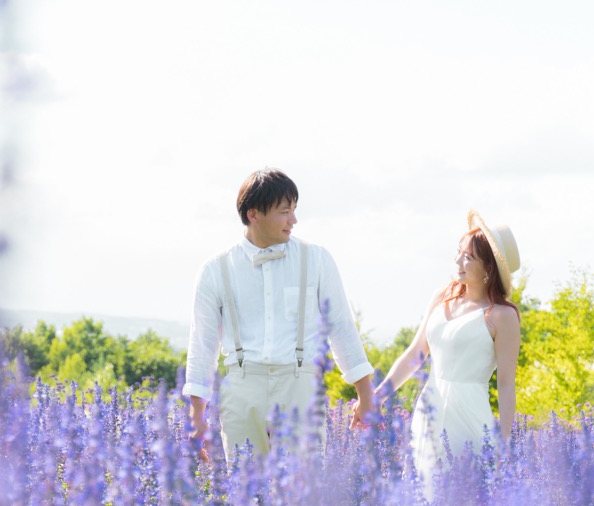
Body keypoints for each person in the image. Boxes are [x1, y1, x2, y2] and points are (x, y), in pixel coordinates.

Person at [184, 168, 374, 462]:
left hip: (300, 384)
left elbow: (341, 328)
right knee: (246, 494)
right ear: (253, 214)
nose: (293, 220)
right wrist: (197, 416)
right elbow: (202, 345)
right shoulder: (215, 269)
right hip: (242, 386)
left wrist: (366, 397)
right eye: (285, 212)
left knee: (304, 495)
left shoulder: (317, 258)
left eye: (294, 210)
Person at [377, 210, 521, 483]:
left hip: (468, 416)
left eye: (468, 257)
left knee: (463, 503)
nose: (458, 261)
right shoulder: (442, 297)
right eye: (459, 253)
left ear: (488, 268)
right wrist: (377, 397)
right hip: (429, 410)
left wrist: (503, 443)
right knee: (422, 498)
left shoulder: (502, 316)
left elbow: (505, 384)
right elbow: (415, 354)